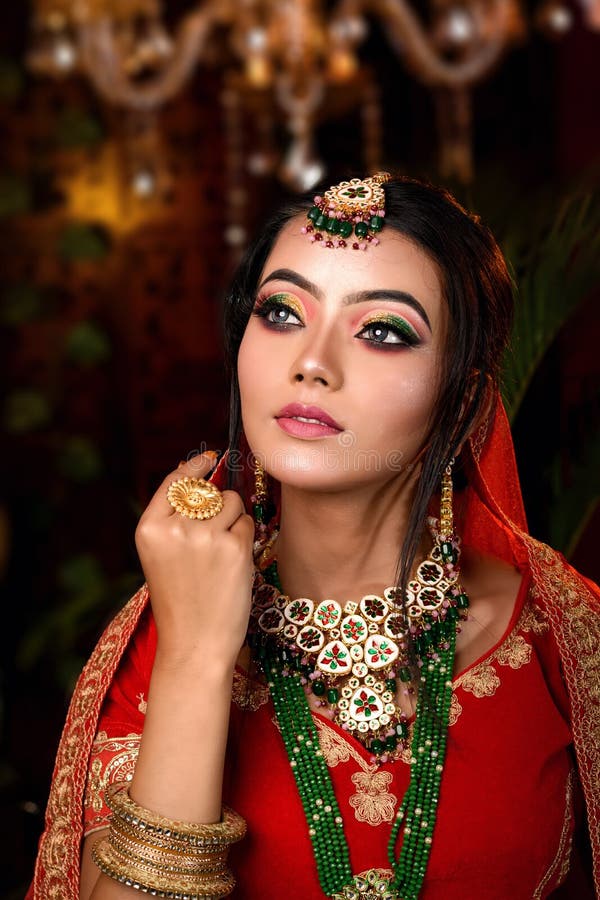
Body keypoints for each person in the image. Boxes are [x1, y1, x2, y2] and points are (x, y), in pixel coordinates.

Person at [27, 174, 599, 900]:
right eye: (281, 312)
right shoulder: (164, 643)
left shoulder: (564, 637)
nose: (311, 363)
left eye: (383, 331)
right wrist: (199, 660)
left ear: (461, 403)